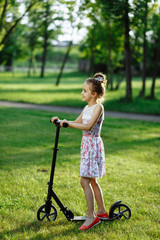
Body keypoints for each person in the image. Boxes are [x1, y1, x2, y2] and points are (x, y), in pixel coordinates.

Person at [51, 72, 108, 231]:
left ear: (94, 93)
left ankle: (92, 217)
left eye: (84, 90)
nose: (81, 93)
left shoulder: (98, 108)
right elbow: (76, 122)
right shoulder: (86, 107)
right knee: (92, 181)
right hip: (86, 146)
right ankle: (102, 211)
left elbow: (88, 126)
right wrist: (62, 121)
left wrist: (69, 125)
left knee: (85, 181)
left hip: (93, 146)